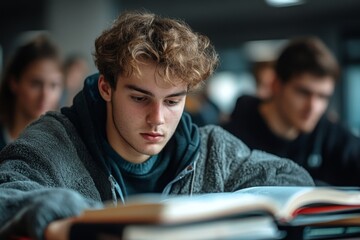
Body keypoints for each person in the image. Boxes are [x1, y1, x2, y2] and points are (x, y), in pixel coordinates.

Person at [0, 11, 313, 240]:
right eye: (139, 99)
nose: (158, 119)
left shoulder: (214, 150)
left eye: (173, 101)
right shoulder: (52, 140)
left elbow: (292, 179)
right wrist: (81, 216)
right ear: (106, 88)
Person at [224, 36, 360, 187]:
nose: (313, 107)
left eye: (323, 96)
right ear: (276, 85)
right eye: (303, 92)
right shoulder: (231, 139)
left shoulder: (328, 133)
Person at [0, 34, 63, 150]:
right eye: (36, 84)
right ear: (14, 82)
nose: (45, 95)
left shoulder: (61, 146)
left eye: (53, 85)